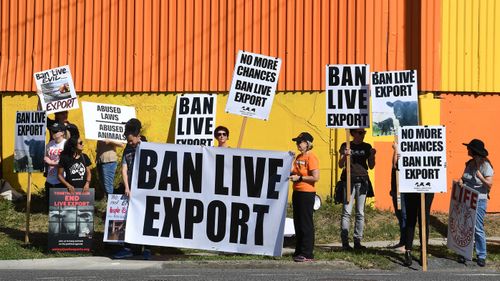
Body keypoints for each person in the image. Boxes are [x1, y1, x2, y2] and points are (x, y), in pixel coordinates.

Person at [113, 118, 151, 260]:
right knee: (129, 219)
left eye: (131, 141)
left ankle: (146, 248)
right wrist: (127, 187)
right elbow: (124, 169)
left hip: (145, 189)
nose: (129, 144)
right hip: (131, 190)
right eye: (128, 141)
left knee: (146, 218)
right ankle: (128, 248)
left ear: (138, 137)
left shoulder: (148, 147)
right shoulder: (127, 149)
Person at [457, 139, 494, 267]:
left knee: (477, 228)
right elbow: (463, 177)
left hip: (479, 200)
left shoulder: (486, 166)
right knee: (466, 226)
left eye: (469, 148)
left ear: (474, 151)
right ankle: (465, 253)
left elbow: (489, 185)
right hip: (467, 198)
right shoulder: (469, 163)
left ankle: (481, 255)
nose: (468, 150)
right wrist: (461, 181)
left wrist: (481, 177)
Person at [339, 128, 376, 250]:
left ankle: (357, 241)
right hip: (349, 181)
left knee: (360, 212)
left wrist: (372, 155)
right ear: (353, 133)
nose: (363, 135)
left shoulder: (367, 146)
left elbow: (371, 166)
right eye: (360, 132)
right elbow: (340, 165)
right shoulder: (346, 145)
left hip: (362, 180)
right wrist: (345, 155)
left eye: (363, 132)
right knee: (347, 212)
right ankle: (345, 243)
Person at [288, 132, 320, 262]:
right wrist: (290, 158)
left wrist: (300, 178)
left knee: (306, 223)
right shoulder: (299, 157)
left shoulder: (311, 157)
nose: (298, 144)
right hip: (297, 192)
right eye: (297, 142)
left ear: (307, 143)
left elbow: (316, 177)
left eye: (300, 142)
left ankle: (307, 253)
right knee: (298, 222)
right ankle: (299, 250)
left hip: (307, 193)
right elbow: (291, 171)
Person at [44, 123, 67, 203]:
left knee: (61, 203)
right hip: (50, 177)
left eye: (55, 131)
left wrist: (52, 163)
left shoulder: (66, 144)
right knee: (49, 203)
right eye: (52, 131)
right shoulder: (50, 144)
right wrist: (46, 158)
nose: (52, 133)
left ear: (62, 133)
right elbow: (46, 155)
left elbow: (68, 162)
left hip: (62, 178)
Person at [390, 141, 406, 250]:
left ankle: (405, 243)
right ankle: (402, 241)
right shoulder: (398, 154)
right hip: (396, 191)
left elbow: (395, 165)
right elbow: (394, 165)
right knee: (400, 215)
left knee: (404, 215)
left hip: (403, 192)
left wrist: (396, 149)